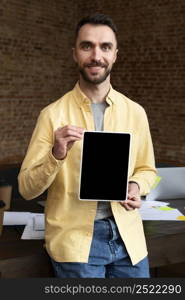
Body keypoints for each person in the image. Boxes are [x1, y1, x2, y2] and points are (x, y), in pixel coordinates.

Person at [18, 13, 156, 278]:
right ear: (75, 53)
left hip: (129, 240)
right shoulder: (52, 115)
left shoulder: (135, 112)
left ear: (115, 54)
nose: (96, 55)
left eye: (105, 47)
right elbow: (26, 188)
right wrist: (55, 154)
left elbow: (147, 169)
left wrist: (137, 186)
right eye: (86, 46)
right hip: (76, 244)